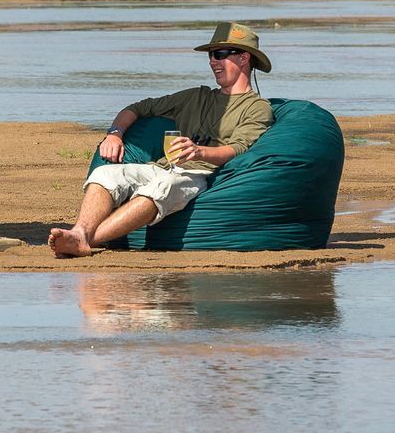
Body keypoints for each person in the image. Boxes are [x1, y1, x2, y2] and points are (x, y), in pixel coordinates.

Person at [48, 23, 275, 258]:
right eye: (210, 55)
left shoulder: (257, 108)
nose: (212, 62)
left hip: (202, 176)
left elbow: (238, 149)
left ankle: (85, 239)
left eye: (219, 55)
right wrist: (114, 134)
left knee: (162, 187)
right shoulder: (196, 97)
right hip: (164, 166)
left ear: (243, 58)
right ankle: (80, 233)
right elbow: (138, 108)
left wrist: (199, 152)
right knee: (106, 175)